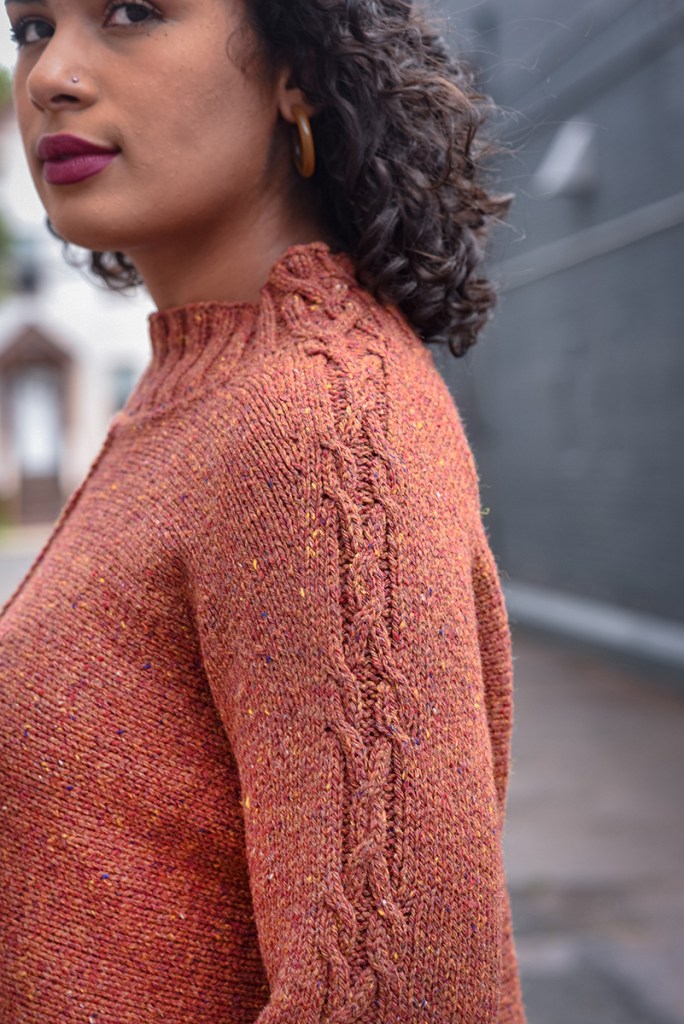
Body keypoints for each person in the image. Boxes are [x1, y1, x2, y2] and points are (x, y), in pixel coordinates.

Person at [0, 0, 527, 1021]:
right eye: (30, 27)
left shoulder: (314, 430)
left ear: (298, 68)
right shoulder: (199, 388)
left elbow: (405, 998)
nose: (52, 74)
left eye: (131, 13)